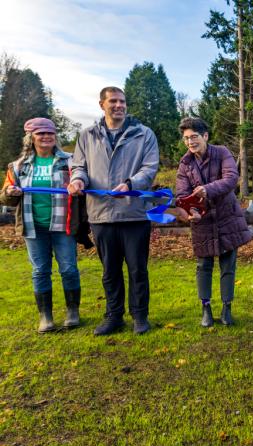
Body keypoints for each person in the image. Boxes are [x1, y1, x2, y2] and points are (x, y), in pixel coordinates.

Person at [68, 86, 159, 336]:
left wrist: (130, 184)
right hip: (101, 215)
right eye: (113, 101)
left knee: (137, 269)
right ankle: (113, 315)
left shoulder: (144, 134)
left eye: (122, 101)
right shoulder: (87, 136)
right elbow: (79, 166)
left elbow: (150, 168)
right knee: (109, 271)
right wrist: (78, 181)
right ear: (102, 105)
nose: (119, 105)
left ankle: (140, 315)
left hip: (134, 214)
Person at [0, 118, 85, 333]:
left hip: (62, 225)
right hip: (33, 225)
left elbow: (83, 181)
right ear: (31, 138)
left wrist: (78, 185)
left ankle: (72, 311)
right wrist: (10, 192)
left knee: (69, 269)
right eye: (40, 134)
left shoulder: (69, 161)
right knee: (40, 271)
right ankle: (45, 316)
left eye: (50, 133)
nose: (46, 137)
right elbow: (5, 196)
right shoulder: (17, 166)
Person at [175, 117, 252, 327]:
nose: (190, 142)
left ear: (205, 136)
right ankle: (206, 309)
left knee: (228, 266)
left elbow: (230, 178)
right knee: (203, 266)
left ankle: (227, 309)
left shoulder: (222, 152)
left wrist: (207, 189)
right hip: (202, 222)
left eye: (194, 137)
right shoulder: (185, 164)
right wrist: (191, 211)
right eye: (186, 138)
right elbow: (182, 193)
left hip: (227, 218)